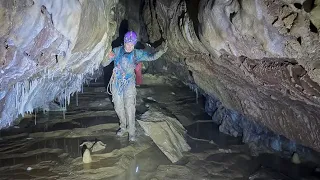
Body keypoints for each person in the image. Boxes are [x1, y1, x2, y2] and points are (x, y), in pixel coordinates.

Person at [102, 31, 168, 141]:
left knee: (129, 106)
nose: (130, 47)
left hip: (129, 82)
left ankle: (131, 131)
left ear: (134, 44)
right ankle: (123, 127)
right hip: (116, 82)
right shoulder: (117, 51)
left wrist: (161, 51)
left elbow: (151, 57)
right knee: (118, 107)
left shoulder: (137, 53)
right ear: (124, 42)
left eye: (132, 44)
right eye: (128, 44)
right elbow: (104, 64)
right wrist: (108, 57)